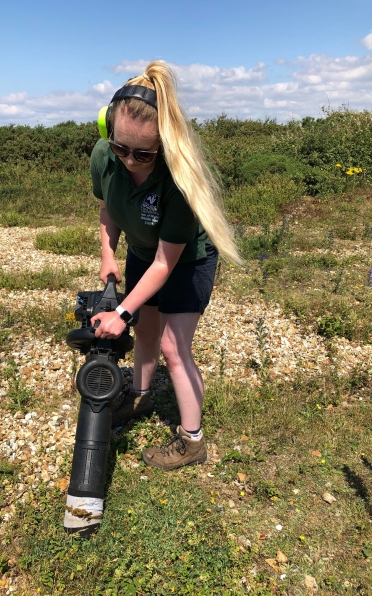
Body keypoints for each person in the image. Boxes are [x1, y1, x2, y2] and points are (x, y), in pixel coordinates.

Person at [90, 60, 242, 471]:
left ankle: (193, 442)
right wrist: (108, 253)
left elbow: (165, 262)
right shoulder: (104, 156)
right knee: (145, 333)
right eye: (121, 147)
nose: (129, 160)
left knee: (174, 349)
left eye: (143, 153)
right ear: (109, 131)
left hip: (185, 260)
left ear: (165, 145)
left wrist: (121, 310)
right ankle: (140, 395)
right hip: (142, 251)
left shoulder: (178, 181)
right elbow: (107, 209)